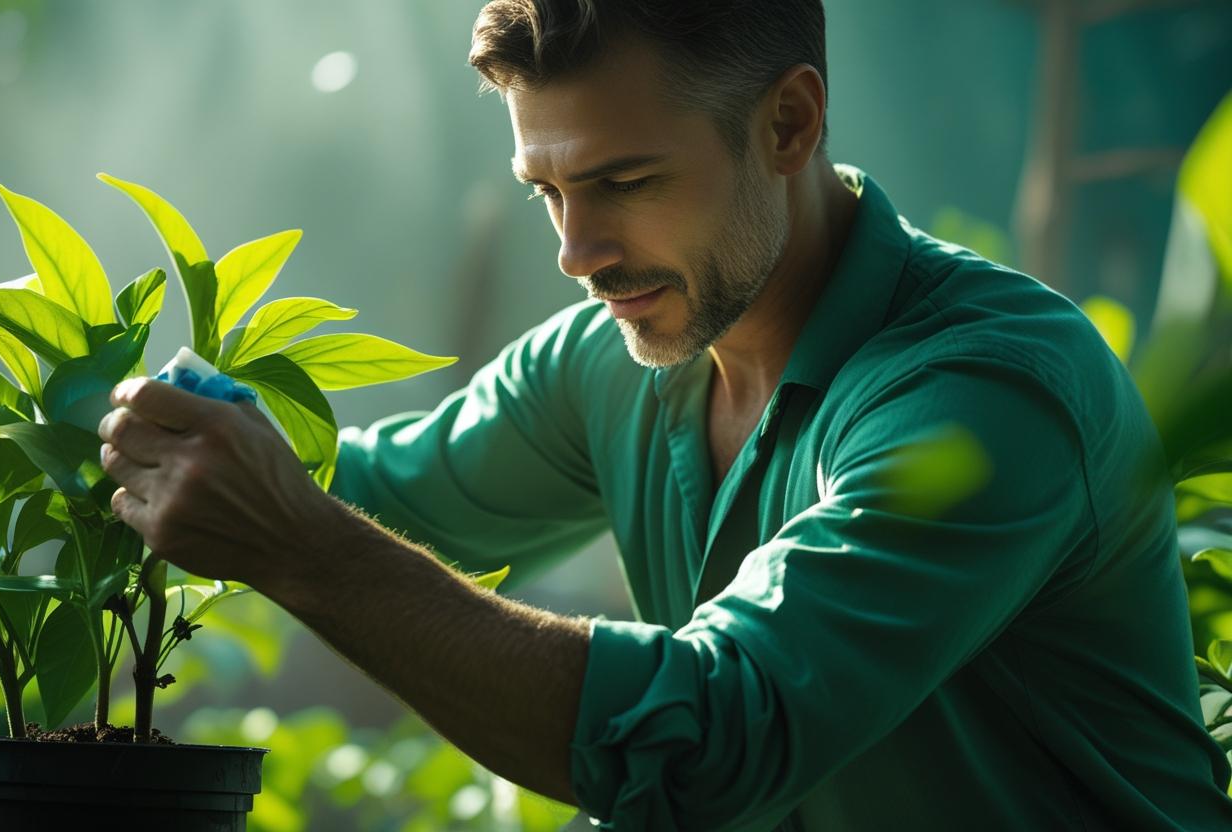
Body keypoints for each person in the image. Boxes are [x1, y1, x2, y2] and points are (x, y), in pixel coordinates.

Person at [95, 1, 1232, 828]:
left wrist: (295, 543)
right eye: (546, 190)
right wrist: (161, 434)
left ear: (788, 124)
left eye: (622, 184)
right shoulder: (614, 357)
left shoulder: (981, 396)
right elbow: (385, 498)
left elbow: (711, 738)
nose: (575, 253)